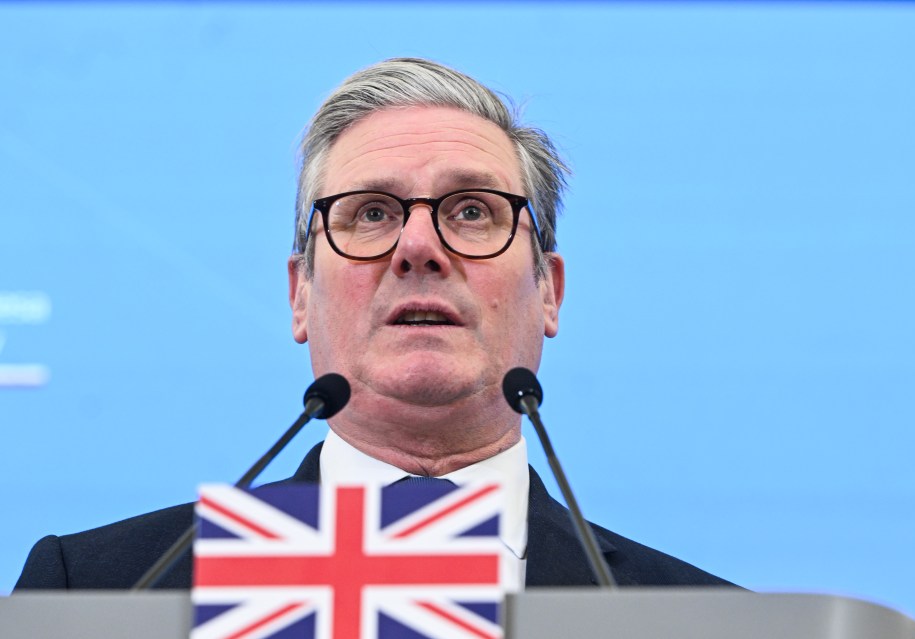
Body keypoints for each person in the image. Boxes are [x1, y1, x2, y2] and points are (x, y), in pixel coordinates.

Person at [15, 58, 732, 590]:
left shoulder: (702, 620)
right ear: (300, 294)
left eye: (473, 211)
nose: (419, 248)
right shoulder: (104, 592)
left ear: (550, 291)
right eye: (372, 213)